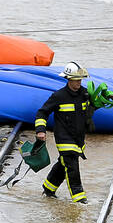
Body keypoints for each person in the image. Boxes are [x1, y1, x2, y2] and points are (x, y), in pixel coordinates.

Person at [35, 62, 94, 204]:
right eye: (75, 80)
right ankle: (79, 198)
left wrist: (100, 102)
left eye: (80, 80)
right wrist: (40, 131)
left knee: (64, 163)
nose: (78, 83)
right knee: (72, 165)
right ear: (68, 79)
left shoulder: (85, 94)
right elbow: (42, 113)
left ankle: (48, 188)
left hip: (78, 138)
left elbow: (90, 111)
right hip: (63, 137)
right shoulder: (58, 96)